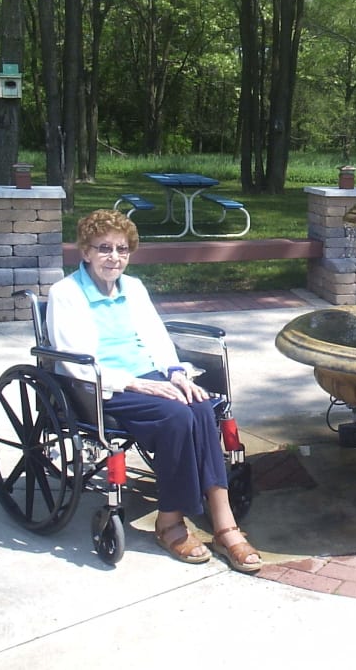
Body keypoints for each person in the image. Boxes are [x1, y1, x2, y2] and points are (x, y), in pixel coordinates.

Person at [46, 209, 262, 572]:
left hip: (147, 376)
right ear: (85, 252)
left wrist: (176, 374)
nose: (114, 257)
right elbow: (74, 361)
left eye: (122, 249)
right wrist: (134, 382)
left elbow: (156, 338)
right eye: (104, 248)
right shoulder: (65, 293)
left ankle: (225, 525)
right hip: (103, 385)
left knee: (200, 405)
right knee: (177, 416)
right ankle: (170, 523)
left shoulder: (133, 288)